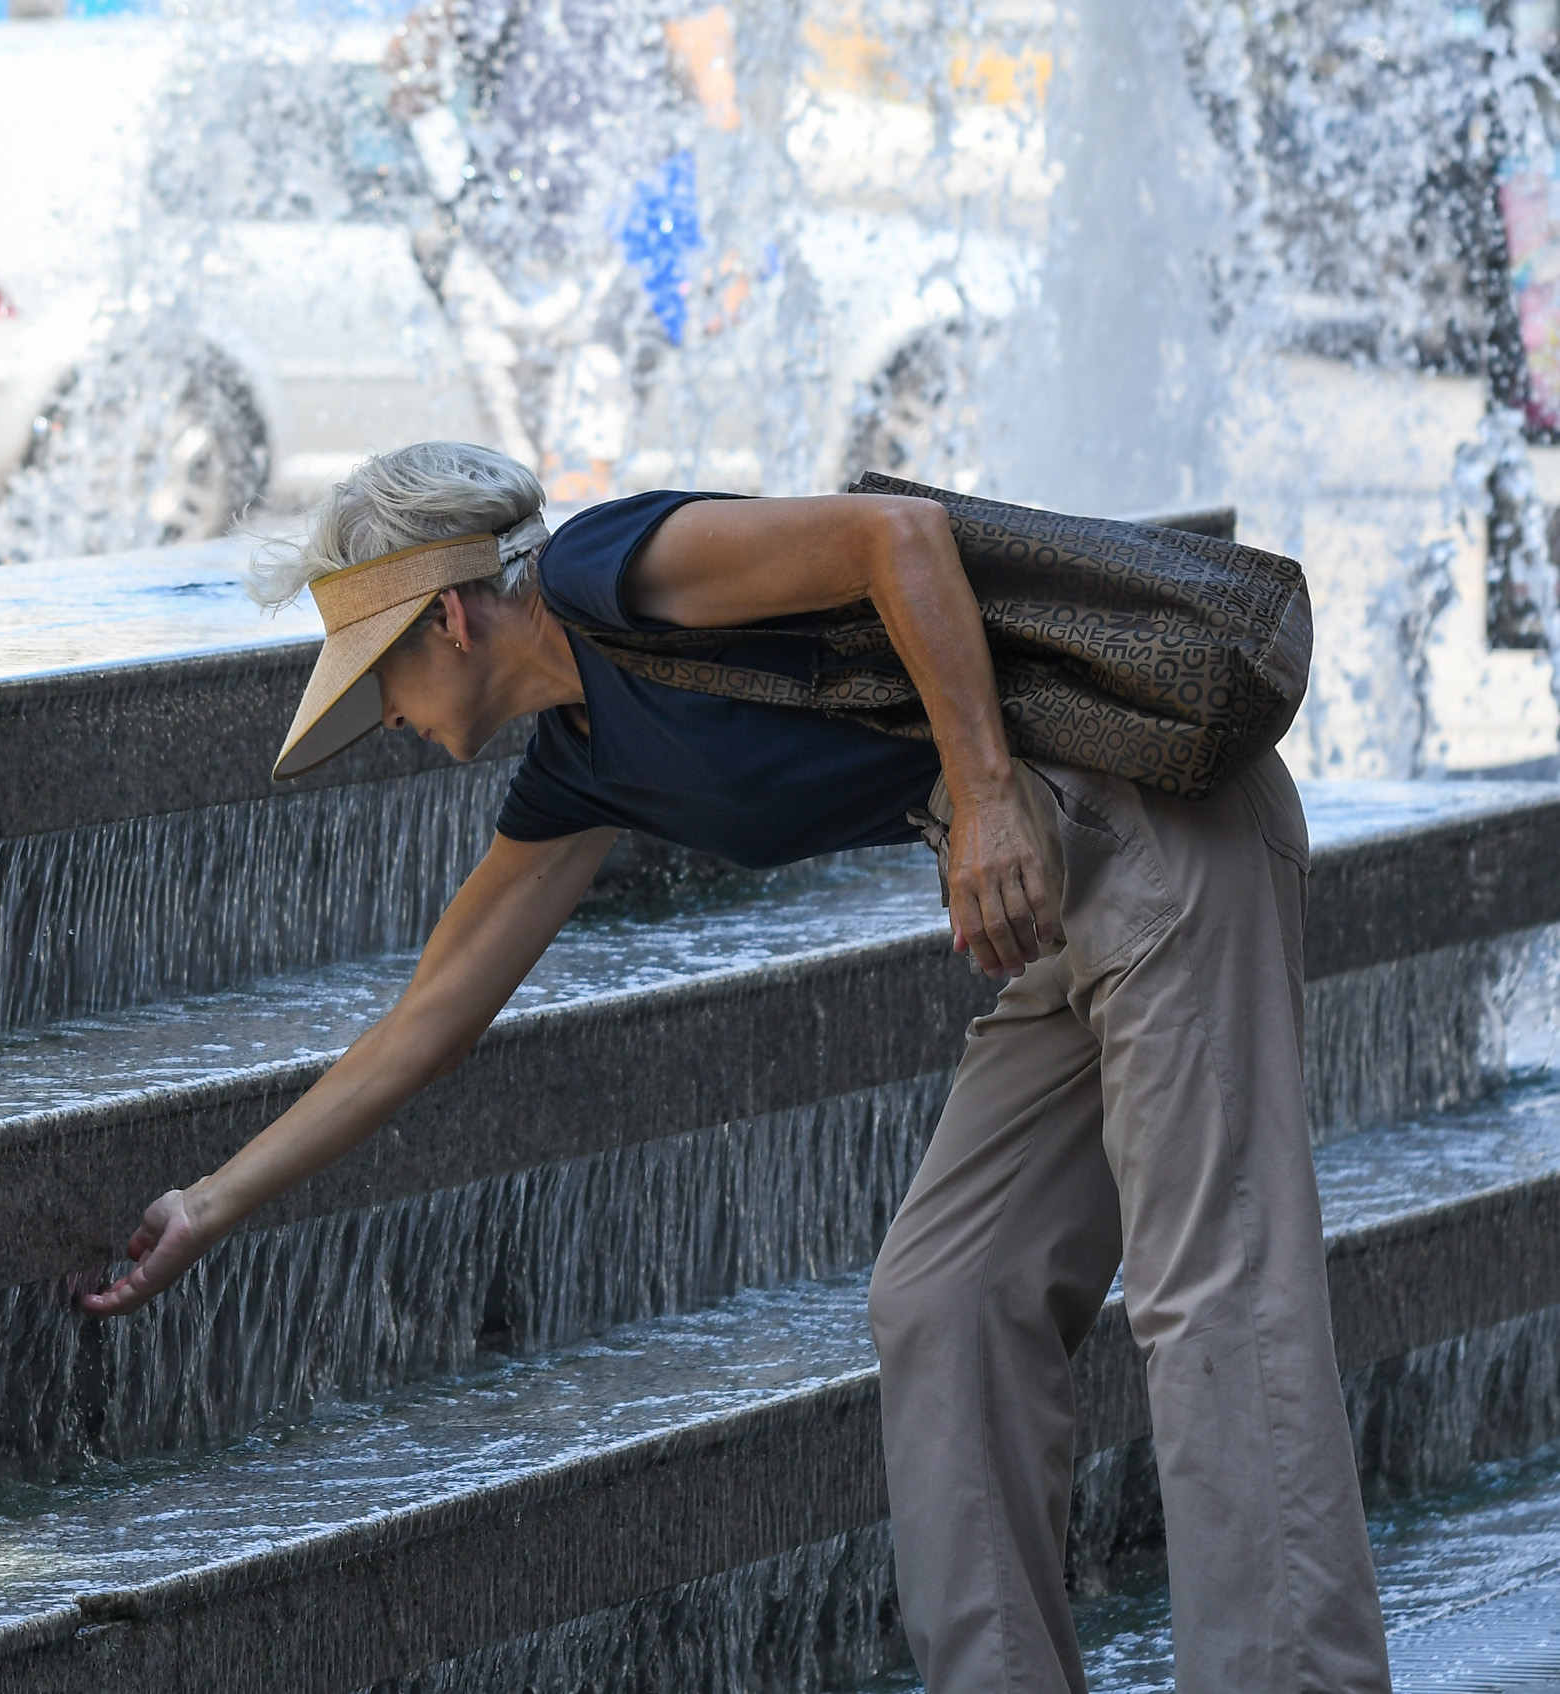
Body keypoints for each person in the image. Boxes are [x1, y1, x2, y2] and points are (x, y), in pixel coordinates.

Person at [77, 440, 1391, 1694]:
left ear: (450, 620)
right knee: (945, 1292)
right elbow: (419, 1031)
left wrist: (983, 792)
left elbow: (897, 533)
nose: (389, 719)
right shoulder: (580, 774)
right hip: (1051, 895)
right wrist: (209, 1202)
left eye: (382, 682)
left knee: (1213, 1290)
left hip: (1144, 831)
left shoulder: (607, 568)